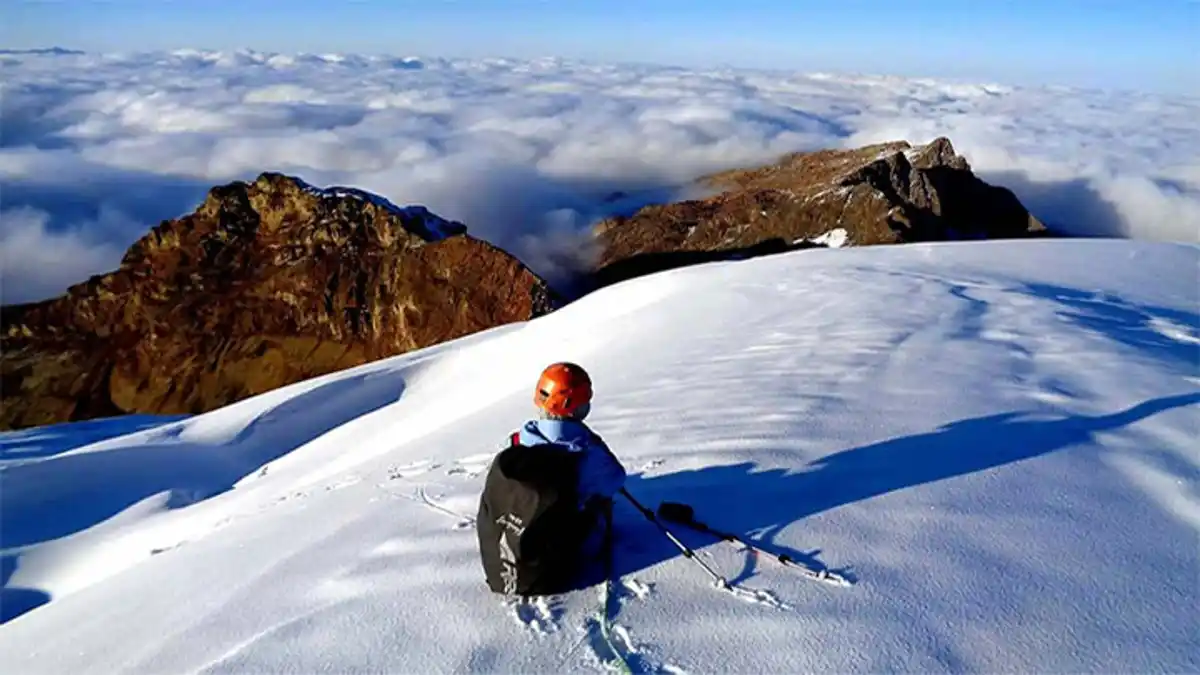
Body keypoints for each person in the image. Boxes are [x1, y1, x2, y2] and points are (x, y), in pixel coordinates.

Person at [477, 362, 627, 595]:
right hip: (555, 558)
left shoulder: (516, 442)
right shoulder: (588, 454)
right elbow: (616, 480)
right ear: (574, 407)